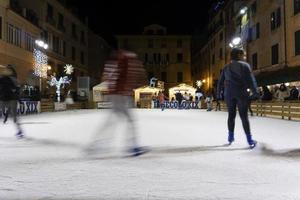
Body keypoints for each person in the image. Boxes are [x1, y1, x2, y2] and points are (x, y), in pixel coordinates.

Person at [86, 50, 148, 157]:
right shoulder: (127, 61)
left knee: (112, 121)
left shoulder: (114, 63)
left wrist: (114, 90)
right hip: (120, 95)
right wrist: (123, 90)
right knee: (128, 121)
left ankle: (97, 145)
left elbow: (108, 78)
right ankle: (132, 146)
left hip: (116, 95)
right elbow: (125, 78)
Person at [217, 48, 259, 148]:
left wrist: (219, 94)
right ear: (239, 55)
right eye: (243, 54)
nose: (244, 56)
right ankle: (249, 140)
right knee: (244, 117)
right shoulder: (245, 65)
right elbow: (251, 80)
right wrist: (255, 92)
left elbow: (220, 82)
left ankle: (230, 137)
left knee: (231, 116)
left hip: (229, 94)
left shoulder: (226, 67)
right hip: (241, 93)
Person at [0, 65, 24, 138]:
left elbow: (18, 89)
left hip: (12, 99)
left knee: (13, 116)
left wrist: (16, 94)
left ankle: (19, 131)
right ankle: (19, 131)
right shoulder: (2, 79)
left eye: (8, 70)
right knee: (13, 116)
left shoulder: (13, 79)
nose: (6, 71)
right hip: (4, 99)